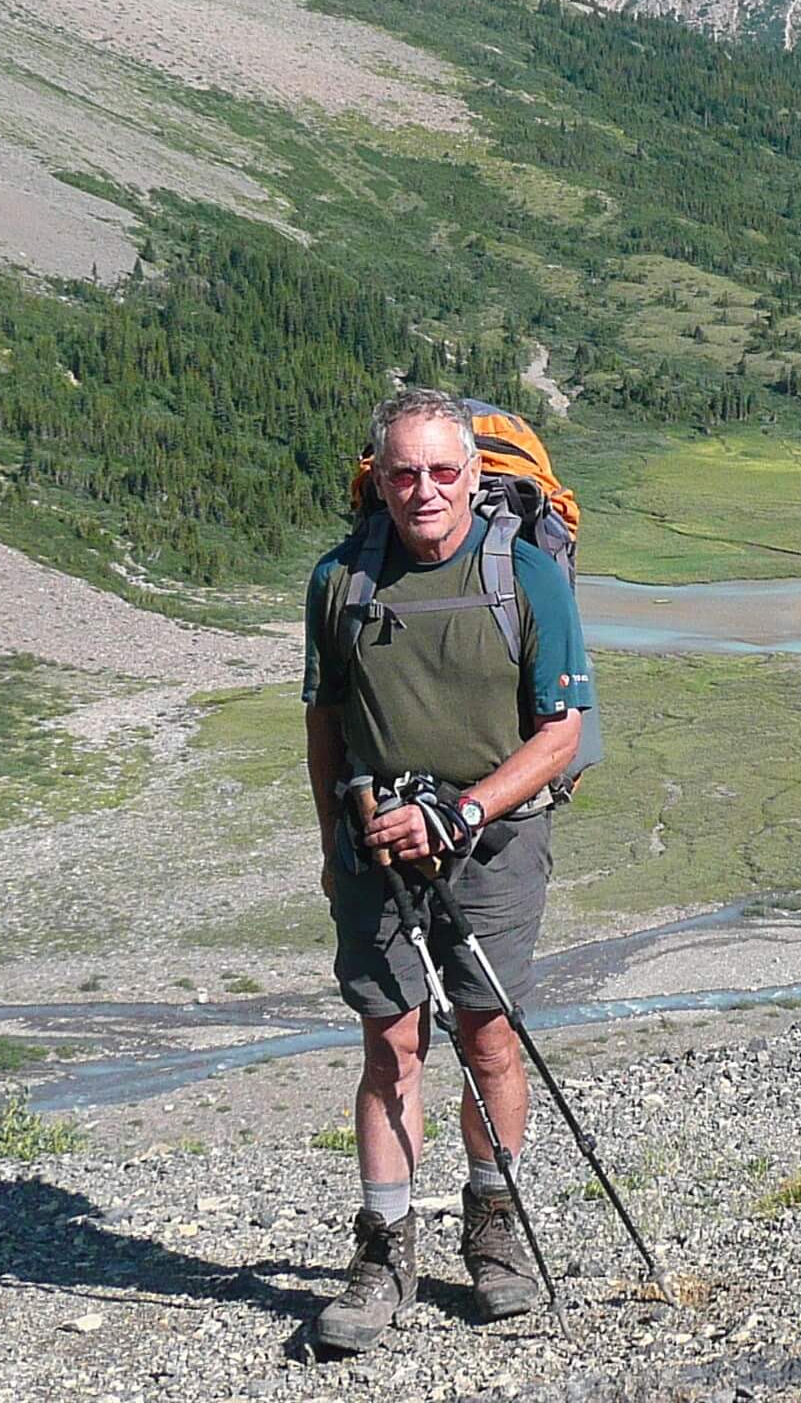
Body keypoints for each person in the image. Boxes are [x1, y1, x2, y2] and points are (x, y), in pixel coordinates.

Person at [301, 386, 594, 1352]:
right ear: (376, 479)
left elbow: (563, 734)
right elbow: (325, 723)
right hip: (377, 842)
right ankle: (384, 1249)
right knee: (391, 1044)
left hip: (494, 838)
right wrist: (338, 841)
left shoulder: (525, 576)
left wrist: (463, 809)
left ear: (473, 474)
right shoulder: (340, 581)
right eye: (403, 473)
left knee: (490, 1036)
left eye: (443, 471)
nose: (424, 490)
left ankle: (493, 1224)